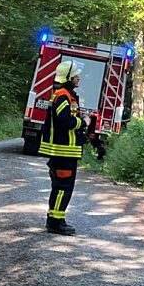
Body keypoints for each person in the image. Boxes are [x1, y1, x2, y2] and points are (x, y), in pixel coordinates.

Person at [40, 60, 85, 235]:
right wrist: (83, 122)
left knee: (61, 186)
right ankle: (55, 222)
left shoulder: (65, 95)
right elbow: (64, 121)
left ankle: (56, 218)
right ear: (68, 78)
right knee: (63, 187)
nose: (78, 78)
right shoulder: (62, 96)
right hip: (63, 151)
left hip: (66, 151)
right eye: (75, 75)